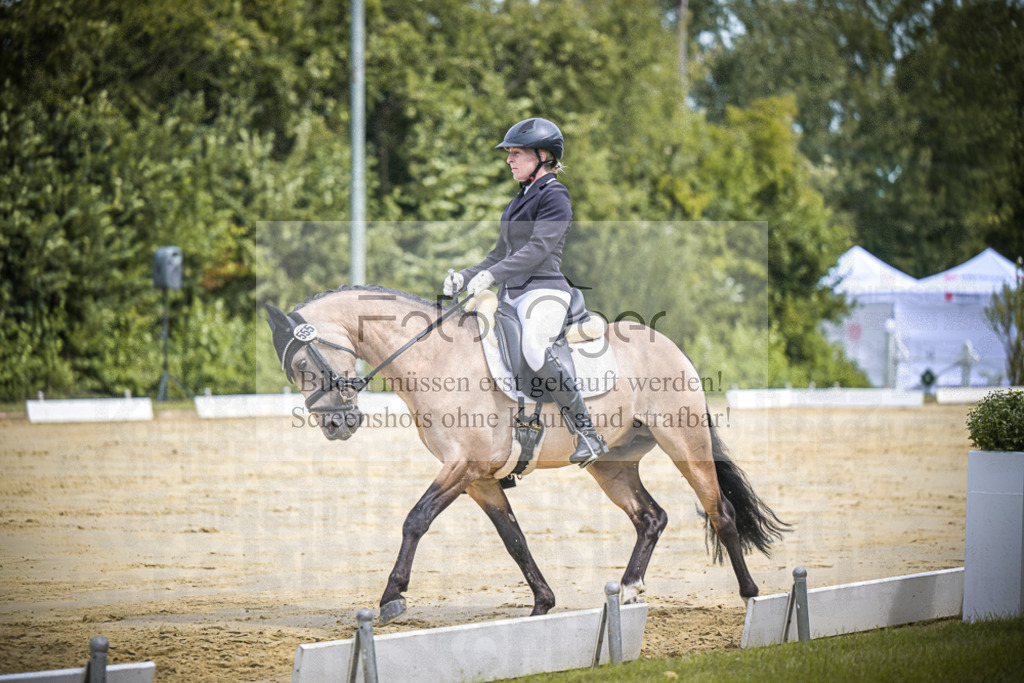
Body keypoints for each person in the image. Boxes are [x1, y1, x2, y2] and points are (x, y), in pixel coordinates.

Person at [442, 117, 609, 467]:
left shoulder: (555, 196)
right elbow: (498, 254)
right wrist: (465, 276)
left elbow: (537, 249)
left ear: (543, 156)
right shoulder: (519, 200)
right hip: (513, 295)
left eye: (516, 153)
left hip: (544, 292)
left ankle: (588, 434)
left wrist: (490, 275)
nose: (509, 160)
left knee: (535, 348)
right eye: (509, 153)